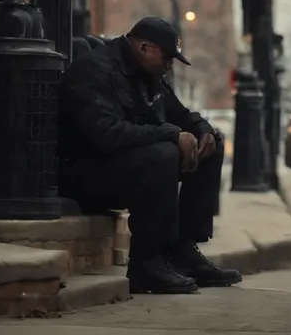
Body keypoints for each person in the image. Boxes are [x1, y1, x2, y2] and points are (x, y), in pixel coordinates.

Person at [57, 17, 242, 295]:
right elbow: (108, 136)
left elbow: (181, 115)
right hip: (84, 175)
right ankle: (146, 264)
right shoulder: (95, 71)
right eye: (167, 58)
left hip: (123, 167)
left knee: (210, 145)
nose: (169, 65)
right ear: (144, 47)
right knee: (164, 154)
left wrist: (202, 130)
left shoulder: (150, 76)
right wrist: (170, 135)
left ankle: (182, 251)